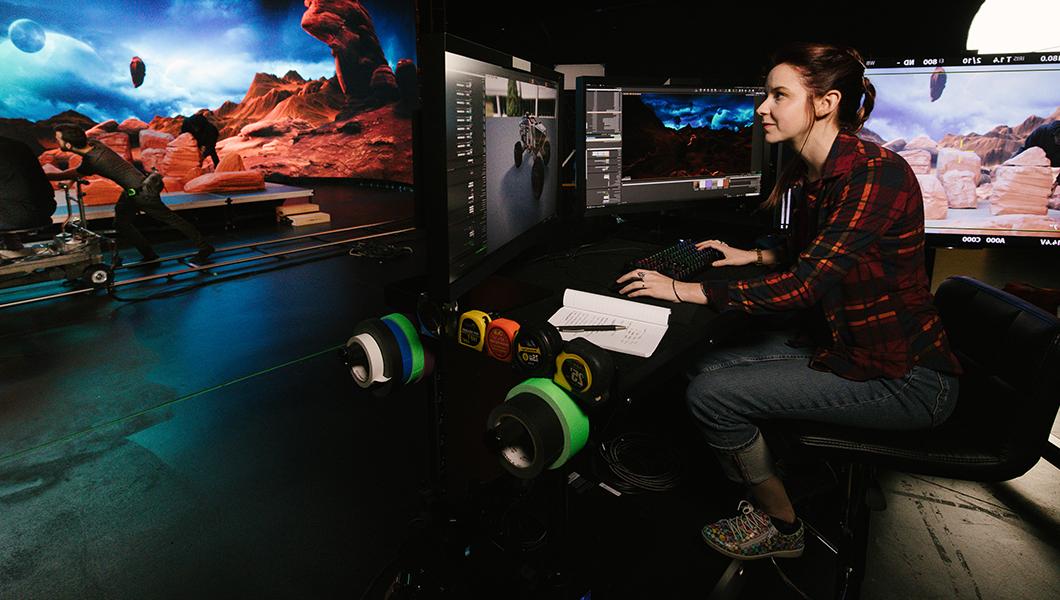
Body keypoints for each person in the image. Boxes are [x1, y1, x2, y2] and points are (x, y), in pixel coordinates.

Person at [615, 43, 962, 561]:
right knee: (699, 366)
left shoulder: (874, 173)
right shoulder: (817, 172)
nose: (763, 107)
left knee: (711, 396)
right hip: (846, 346)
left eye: (779, 95)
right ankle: (769, 469)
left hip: (907, 376)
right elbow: (817, 250)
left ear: (824, 103)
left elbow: (804, 284)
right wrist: (751, 254)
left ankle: (781, 524)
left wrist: (684, 288)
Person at [47, 124, 214, 264]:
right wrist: (70, 181)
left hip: (142, 193)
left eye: (58, 139)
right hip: (133, 190)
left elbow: (75, 172)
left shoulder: (95, 160)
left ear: (68, 146)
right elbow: (79, 171)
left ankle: (204, 247)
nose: (57, 141)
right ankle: (149, 255)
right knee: (121, 223)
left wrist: (47, 175)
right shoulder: (94, 144)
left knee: (171, 219)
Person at [0, 136, 57, 250]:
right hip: (44, 210)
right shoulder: (18, 145)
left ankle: (11, 244)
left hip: (17, 216)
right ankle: (12, 243)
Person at [1015, 120, 1060, 193]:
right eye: (1058, 137)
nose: (1059, 141)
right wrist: (1012, 163)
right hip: (1037, 158)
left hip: (1055, 160)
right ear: (1053, 134)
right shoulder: (1041, 132)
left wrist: (1058, 183)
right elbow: (1026, 148)